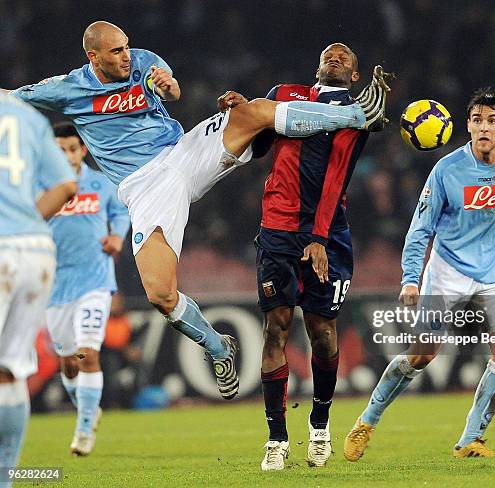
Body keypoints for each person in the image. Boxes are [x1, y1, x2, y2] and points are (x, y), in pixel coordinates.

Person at [3, 21, 390, 400]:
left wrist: (169, 87)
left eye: (126, 46)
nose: (126, 56)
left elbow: (169, 89)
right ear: (94, 56)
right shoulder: (67, 89)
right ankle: (219, 347)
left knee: (252, 111)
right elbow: (12, 98)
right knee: (159, 294)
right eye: (116, 51)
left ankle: (355, 115)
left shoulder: (141, 61)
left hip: (183, 154)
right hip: (145, 187)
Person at [344, 88, 495, 460]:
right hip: (447, 272)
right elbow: (420, 228)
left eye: (492, 121)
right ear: (466, 126)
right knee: (422, 355)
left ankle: (471, 439)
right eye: (477, 120)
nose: (484, 127)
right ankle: (366, 421)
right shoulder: (447, 170)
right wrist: (411, 278)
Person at [248, 43, 391, 471]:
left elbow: (335, 179)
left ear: (354, 75)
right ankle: (276, 439)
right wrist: (244, 112)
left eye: (346, 58)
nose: (337, 58)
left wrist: (320, 239)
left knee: (322, 332)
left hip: (327, 233)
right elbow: (257, 147)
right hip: (277, 227)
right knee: (276, 326)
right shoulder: (285, 93)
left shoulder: (358, 113)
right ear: (317, 65)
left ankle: (320, 426)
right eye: (330, 54)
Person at [0, 93, 77, 477]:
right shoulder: (26, 115)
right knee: (10, 371)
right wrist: (25, 223)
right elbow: (66, 185)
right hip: (36, 249)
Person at [45, 122, 130, 456]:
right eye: (59, 150)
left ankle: (83, 432)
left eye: (71, 148)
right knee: (68, 362)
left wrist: (117, 236)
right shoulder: (41, 186)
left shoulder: (100, 182)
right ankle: (88, 408)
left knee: (87, 354)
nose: (66, 155)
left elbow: (120, 211)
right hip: (55, 288)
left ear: (82, 149)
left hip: (94, 282)